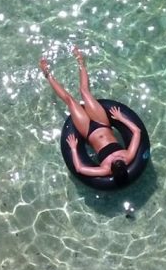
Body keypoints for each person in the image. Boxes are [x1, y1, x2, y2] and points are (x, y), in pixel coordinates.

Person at [40, 47, 143, 178]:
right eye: (120, 160)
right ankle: (80, 60)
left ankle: (47, 74)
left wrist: (73, 148)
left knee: (70, 100)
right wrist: (121, 118)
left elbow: (79, 168)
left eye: (114, 161)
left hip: (88, 131)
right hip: (103, 123)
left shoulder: (105, 170)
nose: (116, 157)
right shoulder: (128, 156)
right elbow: (137, 132)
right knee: (84, 91)